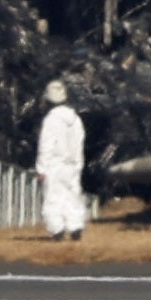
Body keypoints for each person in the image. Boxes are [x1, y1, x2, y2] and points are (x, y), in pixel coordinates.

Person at [36, 79, 86, 242]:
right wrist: (79, 164)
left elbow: (46, 146)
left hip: (55, 165)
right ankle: (75, 228)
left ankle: (57, 231)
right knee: (73, 197)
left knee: (53, 199)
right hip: (73, 165)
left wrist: (41, 168)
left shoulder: (51, 120)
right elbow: (79, 143)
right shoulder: (76, 119)